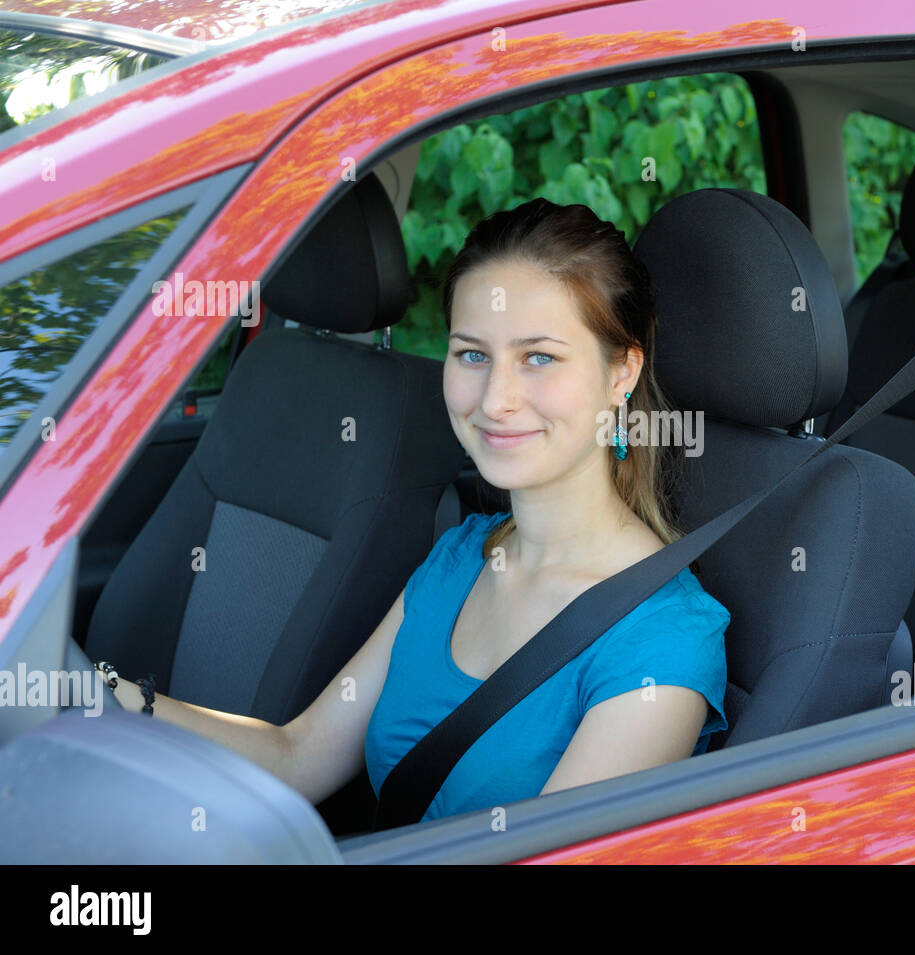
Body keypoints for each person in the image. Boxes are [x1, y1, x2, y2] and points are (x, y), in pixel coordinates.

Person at [95, 197, 729, 824]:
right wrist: (98, 699)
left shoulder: (660, 644)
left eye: (539, 357)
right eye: (473, 354)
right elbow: (296, 755)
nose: (496, 398)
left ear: (622, 373)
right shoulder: (460, 558)